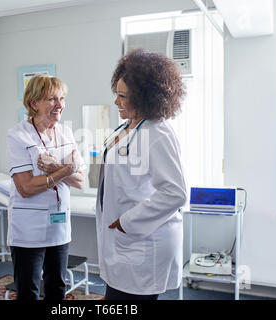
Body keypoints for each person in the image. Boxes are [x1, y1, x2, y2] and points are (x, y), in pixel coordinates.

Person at [96, 49, 187, 300]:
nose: (116, 102)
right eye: (116, 94)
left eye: (123, 96)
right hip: (122, 236)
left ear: (144, 98)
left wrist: (127, 222)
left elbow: (175, 193)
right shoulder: (126, 127)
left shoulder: (158, 133)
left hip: (142, 237)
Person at [6, 75, 85, 300]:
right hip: (29, 229)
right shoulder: (18, 135)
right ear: (34, 103)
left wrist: (55, 168)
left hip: (59, 227)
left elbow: (80, 181)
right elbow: (26, 187)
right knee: (28, 291)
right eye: (52, 99)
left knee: (57, 288)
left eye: (62, 98)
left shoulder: (66, 133)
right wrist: (65, 170)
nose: (60, 105)